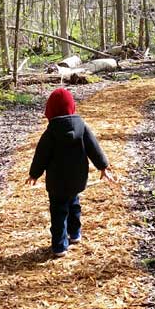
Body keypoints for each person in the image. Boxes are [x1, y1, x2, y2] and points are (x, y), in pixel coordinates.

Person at [26, 87, 114, 257]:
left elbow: (41, 155)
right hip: (77, 179)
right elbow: (94, 147)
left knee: (59, 211)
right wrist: (103, 167)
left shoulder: (50, 132)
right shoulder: (82, 127)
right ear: (72, 106)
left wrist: (34, 174)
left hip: (57, 182)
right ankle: (75, 234)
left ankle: (59, 246)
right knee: (74, 204)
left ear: (49, 111)